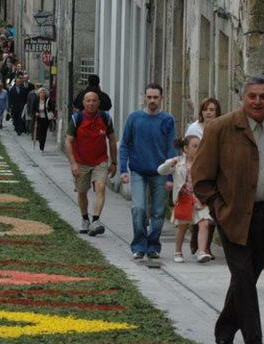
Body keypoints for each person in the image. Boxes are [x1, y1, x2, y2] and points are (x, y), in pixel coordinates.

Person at [193, 75, 264, 344]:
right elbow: (201, 178)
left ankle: (224, 333)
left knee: (245, 279)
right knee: (243, 278)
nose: (257, 102)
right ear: (242, 98)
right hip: (233, 217)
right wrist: (218, 207)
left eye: (263, 96)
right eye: (252, 96)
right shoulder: (220, 128)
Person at [119, 83, 176, 260]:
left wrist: (170, 176)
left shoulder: (167, 119)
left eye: (155, 97)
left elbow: (171, 149)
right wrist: (123, 169)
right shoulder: (134, 118)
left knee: (158, 211)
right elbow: (125, 144)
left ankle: (153, 245)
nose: (152, 100)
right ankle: (139, 245)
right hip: (138, 171)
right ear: (144, 97)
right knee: (139, 209)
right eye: (149, 97)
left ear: (161, 98)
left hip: (160, 172)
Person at [65, 90, 118, 236]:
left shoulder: (105, 118)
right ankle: (85, 219)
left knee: (100, 187)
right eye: (88, 100)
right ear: (83, 103)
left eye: (94, 100)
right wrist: (73, 163)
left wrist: (114, 162)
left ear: (98, 103)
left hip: (100, 160)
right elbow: (68, 141)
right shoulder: (77, 119)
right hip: (81, 161)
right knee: (82, 192)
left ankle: (95, 220)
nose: (91, 103)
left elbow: (112, 140)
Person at [158, 135, 213, 263]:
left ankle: (201, 251)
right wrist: (168, 163)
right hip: (184, 199)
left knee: (204, 223)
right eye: (195, 146)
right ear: (186, 148)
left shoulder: (204, 162)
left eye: (200, 146)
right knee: (183, 227)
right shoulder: (178, 162)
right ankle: (178, 250)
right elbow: (161, 171)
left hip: (199, 199)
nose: (198, 149)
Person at [186, 97, 223, 258]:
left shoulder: (221, 127)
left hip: (216, 173)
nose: (208, 112)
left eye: (212, 110)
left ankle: (206, 246)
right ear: (201, 111)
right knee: (200, 209)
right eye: (206, 109)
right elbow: (186, 150)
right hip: (199, 173)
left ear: (217, 112)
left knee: (213, 210)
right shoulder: (194, 128)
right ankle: (196, 239)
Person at [31, 87, 55, 151]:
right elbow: (33, 109)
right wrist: (36, 113)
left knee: (44, 133)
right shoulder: (36, 100)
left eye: (44, 93)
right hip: (38, 118)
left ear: (45, 94)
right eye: (41, 93)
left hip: (46, 119)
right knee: (39, 132)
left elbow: (52, 108)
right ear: (39, 94)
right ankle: (40, 141)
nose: (42, 94)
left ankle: (42, 146)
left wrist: (48, 108)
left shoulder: (48, 100)